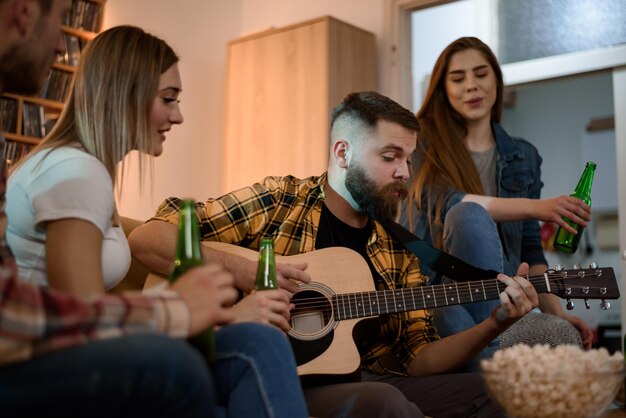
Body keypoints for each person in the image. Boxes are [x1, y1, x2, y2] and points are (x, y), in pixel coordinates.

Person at [129, 90, 542, 417]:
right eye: (390, 157)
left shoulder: (400, 249)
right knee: (383, 403)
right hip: (274, 381)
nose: (405, 172)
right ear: (343, 153)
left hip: (363, 379)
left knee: (505, 388)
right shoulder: (281, 200)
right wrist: (252, 275)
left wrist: (495, 322)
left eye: (409, 159)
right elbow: (149, 239)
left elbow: (420, 361)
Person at [0, 3, 308, 417]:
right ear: (125, 93)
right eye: (168, 99)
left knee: (257, 346)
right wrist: (224, 315)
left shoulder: (71, 167)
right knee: (252, 347)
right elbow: (85, 322)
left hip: (66, 348)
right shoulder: (77, 171)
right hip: (53, 361)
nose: (178, 116)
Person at [400, 36, 593, 370]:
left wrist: (558, 315)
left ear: (496, 80)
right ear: (443, 89)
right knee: (468, 215)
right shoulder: (422, 145)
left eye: (481, 74)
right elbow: (448, 202)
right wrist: (538, 207)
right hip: (442, 295)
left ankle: (495, 357)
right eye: (458, 79)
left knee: (566, 338)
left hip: (510, 298)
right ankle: (500, 354)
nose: (471, 86)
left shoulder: (524, 155)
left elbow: (532, 254)